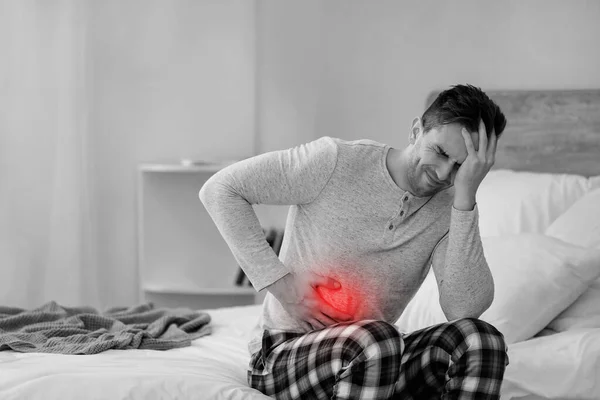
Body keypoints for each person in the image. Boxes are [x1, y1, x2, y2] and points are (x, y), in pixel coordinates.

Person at [199, 84, 509, 399]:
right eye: (440, 153)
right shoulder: (334, 160)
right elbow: (221, 189)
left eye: (460, 166)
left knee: (480, 339)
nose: (444, 174)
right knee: (378, 340)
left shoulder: (451, 209)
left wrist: (466, 197)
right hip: (285, 353)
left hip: (376, 361)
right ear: (416, 131)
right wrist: (280, 284)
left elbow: (463, 309)